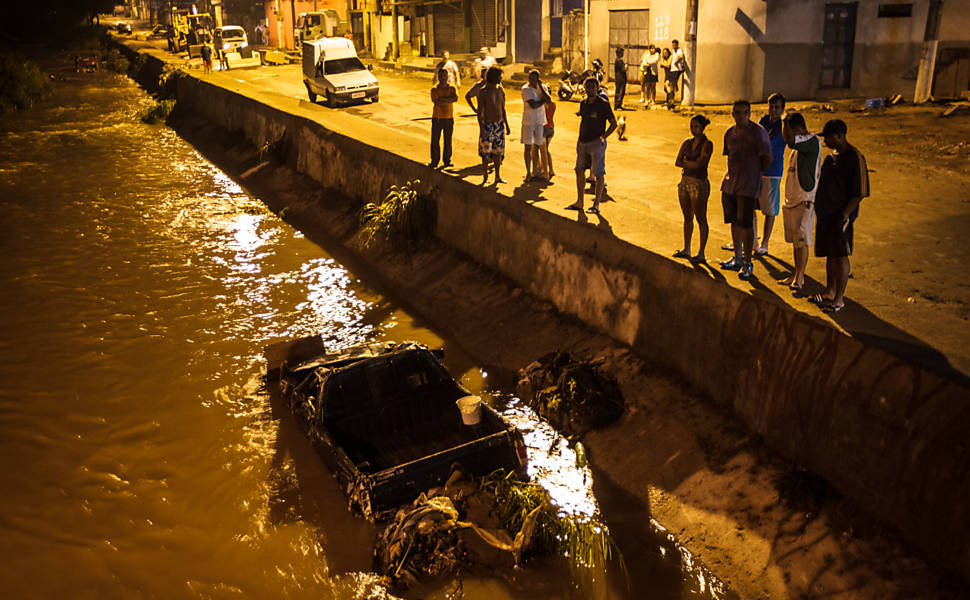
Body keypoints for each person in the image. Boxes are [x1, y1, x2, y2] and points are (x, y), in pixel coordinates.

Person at [809, 119, 869, 313]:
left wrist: (845, 215)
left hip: (840, 216)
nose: (825, 141)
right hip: (826, 214)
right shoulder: (831, 158)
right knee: (831, 254)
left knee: (841, 254)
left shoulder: (855, 158)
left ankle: (839, 298)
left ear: (840, 136)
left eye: (828, 137)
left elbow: (860, 192)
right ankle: (830, 291)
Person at [719, 100, 772, 280]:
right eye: (737, 113)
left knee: (746, 224)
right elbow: (729, 157)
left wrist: (755, 174)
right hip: (731, 184)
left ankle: (748, 261)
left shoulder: (758, 133)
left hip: (748, 186)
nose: (741, 116)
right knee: (734, 221)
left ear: (749, 114)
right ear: (733, 114)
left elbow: (767, 157)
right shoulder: (730, 134)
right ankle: (738, 257)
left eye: (744, 113)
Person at [778, 112, 821, 292]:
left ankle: (800, 277)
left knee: (802, 241)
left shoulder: (811, 141)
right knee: (796, 241)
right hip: (793, 198)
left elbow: (788, 139)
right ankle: (796, 273)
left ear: (798, 129)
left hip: (805, 198)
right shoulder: (800, 146)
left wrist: (783, 120)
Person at [565, 77, 617, 215]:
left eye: (593, 87)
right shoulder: (583, 103)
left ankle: (596, 205)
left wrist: (603, 138)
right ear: (585, 88)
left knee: (599, 174)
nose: (590, 90)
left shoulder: (603, 104)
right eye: (588, 87)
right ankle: (580, 201)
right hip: (582, 142)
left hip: (596, 143)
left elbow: (614, 124)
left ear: (597, 88)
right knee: (579, 170)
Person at [674, 115, 714, 262]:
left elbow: (699, 164)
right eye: (692, 126)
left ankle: (701, 252)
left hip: (698, 183)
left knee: (700, 218)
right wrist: (691, 163)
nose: (693, 129)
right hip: (687, 182)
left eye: (696, 126)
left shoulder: (707, 144)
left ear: (703, 128)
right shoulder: (688, 142)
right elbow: (678, 161)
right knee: (688, 217)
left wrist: (687, 162)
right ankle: (687, 248)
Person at [756, 93, 787, 256]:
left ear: (782, 109)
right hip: (758, 169)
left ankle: (765, 242)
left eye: (777, 107)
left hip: (773, 171)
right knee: (752, 205)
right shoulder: (763, 121)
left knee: (770, 210)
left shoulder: (783, 126)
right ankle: (753, 241)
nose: (773, 110)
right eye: (771, 106)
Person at [477, 66, 510, 185]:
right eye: (499, 76)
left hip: (499, 125)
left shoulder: (500, 90)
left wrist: (506, 124)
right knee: (485, 153)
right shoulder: (483, 91)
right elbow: (479, 111)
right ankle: (485, 176)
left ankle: (497, 176)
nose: (501, 78)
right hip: (487, 125)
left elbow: (503, 108)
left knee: (498, 152)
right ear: (494, 77)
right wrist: (482, 128)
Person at [521, 69, 550, 182]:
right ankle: (528, 172)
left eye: (534, 78)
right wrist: (543, 100)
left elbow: (549, 99)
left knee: (538, 146)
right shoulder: (526, 89)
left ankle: (536, 171)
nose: (532, 81)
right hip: (528, 122)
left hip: (539, 121)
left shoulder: (542, 87)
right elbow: (533, 105)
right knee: (528, 147)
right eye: (530, 78)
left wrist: (541, 87)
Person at [430, 68, 458, 169]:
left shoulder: (452, 87)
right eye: (441, 76)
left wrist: (443, 99)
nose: (443, 78)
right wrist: (449, 100)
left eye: (444, 76)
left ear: (447, 77)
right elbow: (437, 102)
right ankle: (435, 160)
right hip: (437, 118)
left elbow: (455, 98)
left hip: (449, 118)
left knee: (448, 140)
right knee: (435, 140)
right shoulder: (434, 89)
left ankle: (447, 160)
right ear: (438, 77)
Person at [539, 84, 556, 180]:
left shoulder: (542, 105)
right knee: (546, 150)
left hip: (544, 128)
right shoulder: (553, 104)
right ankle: (551, 170)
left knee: (543, 151)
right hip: (551, 128)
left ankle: (543, 170)